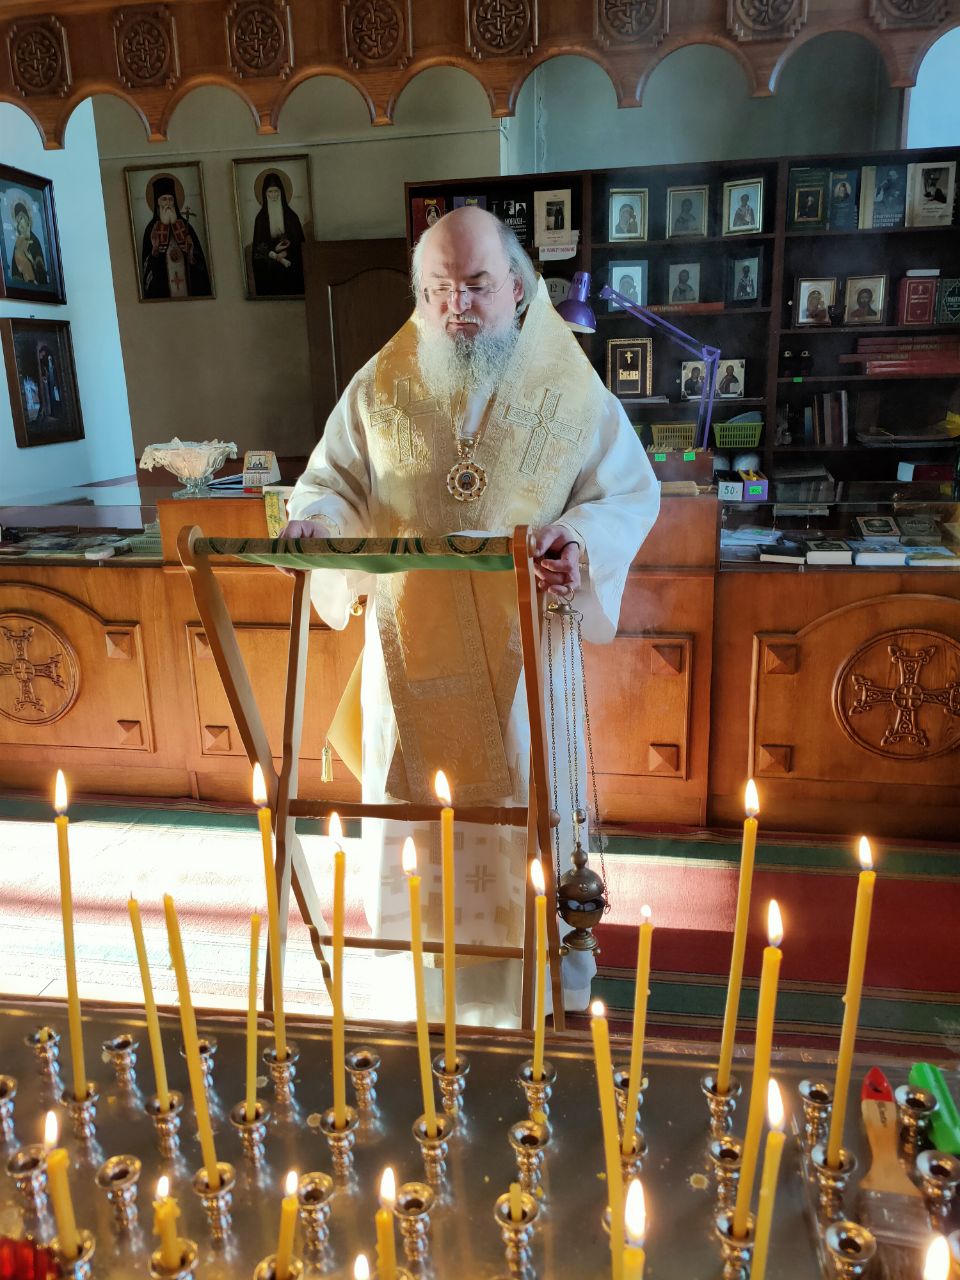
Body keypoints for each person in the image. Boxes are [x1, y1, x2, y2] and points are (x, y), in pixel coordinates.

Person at [283, 205, 659, 1025]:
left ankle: (529, 990)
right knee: (415, 825)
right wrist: (316, 523)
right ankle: (417, 997)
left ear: (517, 286)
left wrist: (577, 540)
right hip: (409, 662)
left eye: (477, 285)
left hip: (523, 665)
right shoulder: (380, 385)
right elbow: (333, 485)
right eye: (438, 289)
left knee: (522, 817)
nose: (457, 306)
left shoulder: (570, 388)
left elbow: (628, 493)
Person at [140, 175, 212, 299]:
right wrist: (155, 250)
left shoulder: (186, 227)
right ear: (157, 203)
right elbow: (147, 268)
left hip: (189, 292)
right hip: (163, 291)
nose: (168, 203)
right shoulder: (151, 229)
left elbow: (199, 266)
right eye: (164, 199)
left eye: (170, 199)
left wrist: (191, 254)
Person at [251, 171, 306, 296]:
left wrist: (286, 252)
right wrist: (275, 251)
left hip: (291, 268)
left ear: (281, 193)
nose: (274, 195)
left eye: (276, 191)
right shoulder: (260, 219)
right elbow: (257, 251)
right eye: (270, 192)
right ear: (265, 194)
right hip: (271, 272)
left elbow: (301, 245)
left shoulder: (291, 217)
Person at [9, 202, 48, 285]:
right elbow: (15, 270)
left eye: (21, 218)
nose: (20, 223)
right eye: (18, 221)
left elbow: (40, 267)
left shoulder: (35, 241)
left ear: (27, 221)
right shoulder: (18, 243)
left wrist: (32, 261)